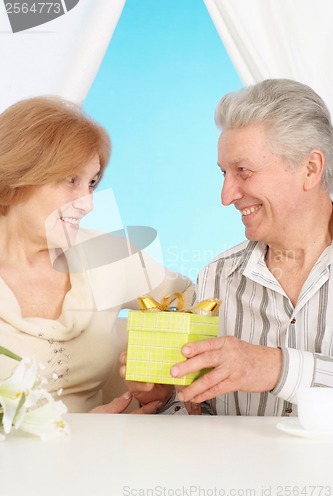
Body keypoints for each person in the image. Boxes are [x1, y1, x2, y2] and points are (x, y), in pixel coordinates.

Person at [123, 78, 333, 416]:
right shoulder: (217, 279)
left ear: (310, 169)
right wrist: (166, 397)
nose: (226, 196)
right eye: (224, 173)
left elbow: (266, 369)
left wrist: (275, 368)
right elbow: (202, 419)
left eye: (243, 171)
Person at [0, 96, 193, 414]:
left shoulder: (107, 255)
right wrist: (76, 429)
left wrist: (160, 378)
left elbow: (190, 300)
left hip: (100, 457)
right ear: (16, 177)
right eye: (69, 180)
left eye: (91, 183)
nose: (88, 203)